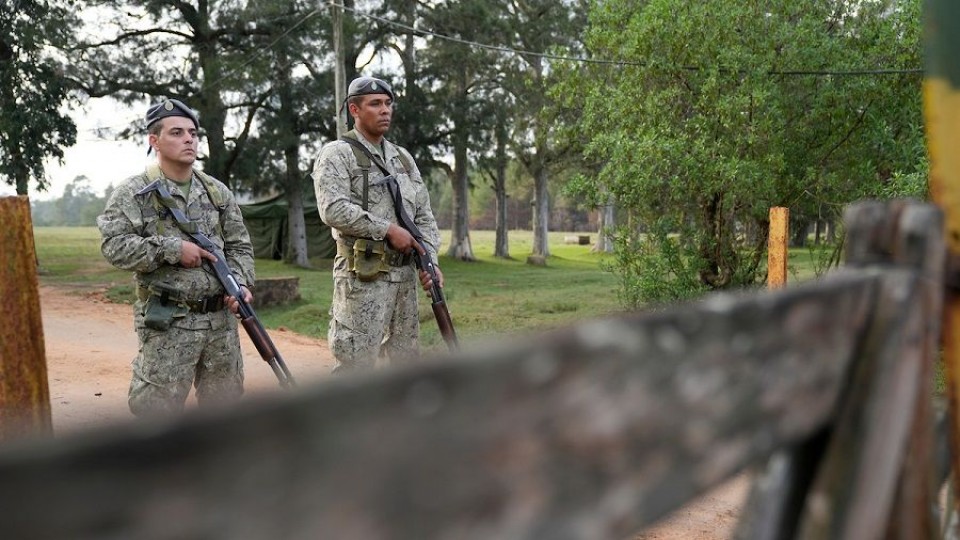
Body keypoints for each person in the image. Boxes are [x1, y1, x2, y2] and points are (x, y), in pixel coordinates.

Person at [97, 98, 256, 417]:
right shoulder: (135, 192)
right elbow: (114, 246)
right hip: (169, 322)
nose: (189, 139)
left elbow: (239, 246)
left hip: (220, 323)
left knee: (224, 412)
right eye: (177, 133)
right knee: (157, 415)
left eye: (193, 133)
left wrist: (240, 285)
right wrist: (171, 249)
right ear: (154, 140)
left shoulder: (216, 192)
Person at [312, 76, 443, 374]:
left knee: (404, 366)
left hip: (404, 281)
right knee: (355, 366)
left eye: (388, 104)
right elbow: (332, 208)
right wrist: (387, 230)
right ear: (355, 110)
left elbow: (424, 216)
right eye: (375, 104)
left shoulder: (404, 159)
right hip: (362, 279)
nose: (385, 110)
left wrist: (430, 261)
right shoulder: (337, 154)